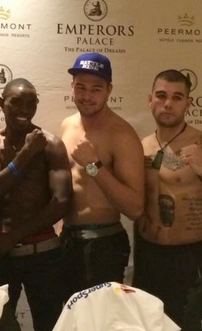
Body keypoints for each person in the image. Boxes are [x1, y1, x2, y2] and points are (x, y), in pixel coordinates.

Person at [133, 69, 202, 326]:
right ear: (150, 100)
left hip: (190, 259)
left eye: (177, 97)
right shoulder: (139, 147)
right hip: (147, 257)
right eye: (161, 95)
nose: (168, 103)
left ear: (188, 103)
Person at [0, 78, 73, 331]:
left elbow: (61, 203)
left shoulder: (51, 144)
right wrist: (27, 153)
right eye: (16, 102)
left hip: (42, 255)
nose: (24, 109)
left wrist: (13, 236)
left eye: (31, 103)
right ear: (1, 103)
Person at [59, 52, 144, 293]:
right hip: (67, 241)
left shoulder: (122, 134)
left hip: (104, 244)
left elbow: (135, 208)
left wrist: (94, 166)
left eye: (96, 89)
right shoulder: (67, 125)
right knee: (69, 316)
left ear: (109, 90)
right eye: (81, 87)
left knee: (101, 317)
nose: (87, 96)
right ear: (72, 86)